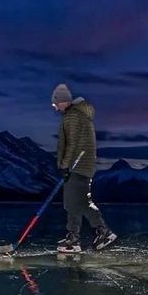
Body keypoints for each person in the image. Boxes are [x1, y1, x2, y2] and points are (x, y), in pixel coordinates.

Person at [52, 83, 117, 254]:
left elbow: (72, 143)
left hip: (77, 165)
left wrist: (65, 165)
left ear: (63, 101)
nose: (54, 107)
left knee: (79, 202)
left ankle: (103, 232)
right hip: (81, 165)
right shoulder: (76, 115)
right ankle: (73, 237)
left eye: (55, 102)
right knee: (73, 202)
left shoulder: (72, 116)